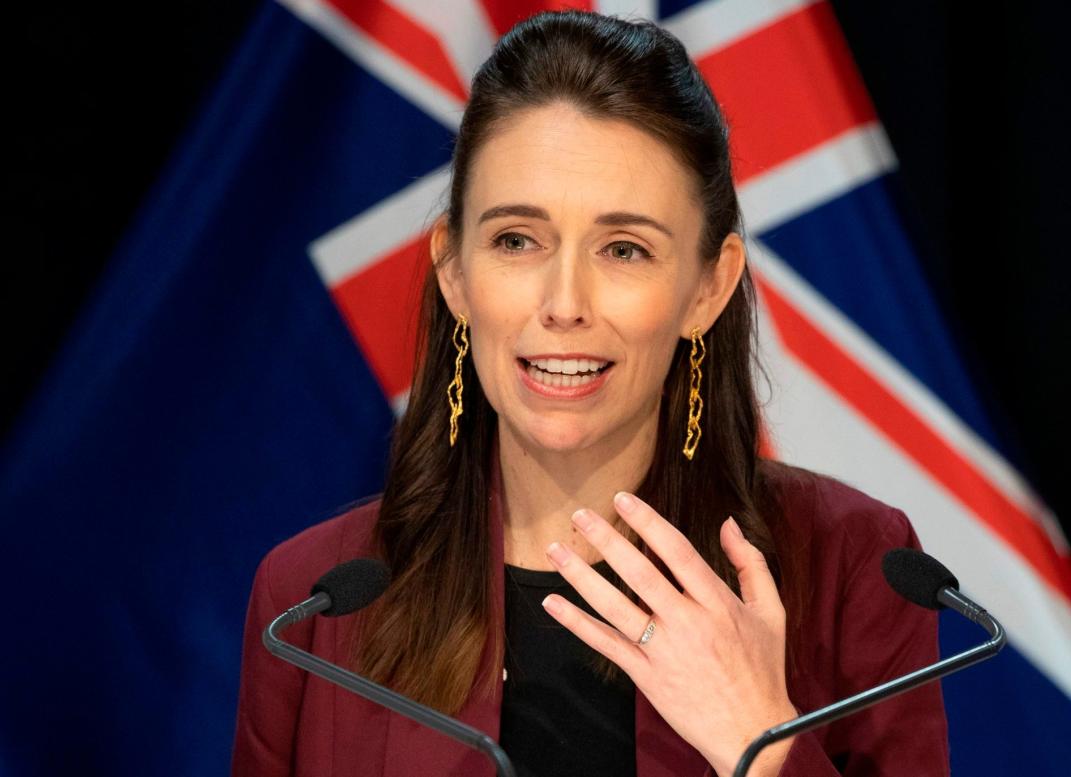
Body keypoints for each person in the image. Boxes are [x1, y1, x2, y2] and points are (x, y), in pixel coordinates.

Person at [231, 9, 950, 777]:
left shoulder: (853, 568)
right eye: (517, 240)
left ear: (709, 286)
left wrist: (767, 745)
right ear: (454, 270)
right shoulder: (313, 606)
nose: (565, 300)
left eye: (624, 249)